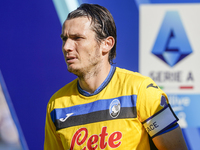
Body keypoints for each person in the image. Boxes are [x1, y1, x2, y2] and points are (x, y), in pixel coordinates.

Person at [44, 3, 188, 150]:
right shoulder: (57, 105)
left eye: (78, 38)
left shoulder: (141, 91)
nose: (67, 46)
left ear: (107, 44)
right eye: (64, 39)